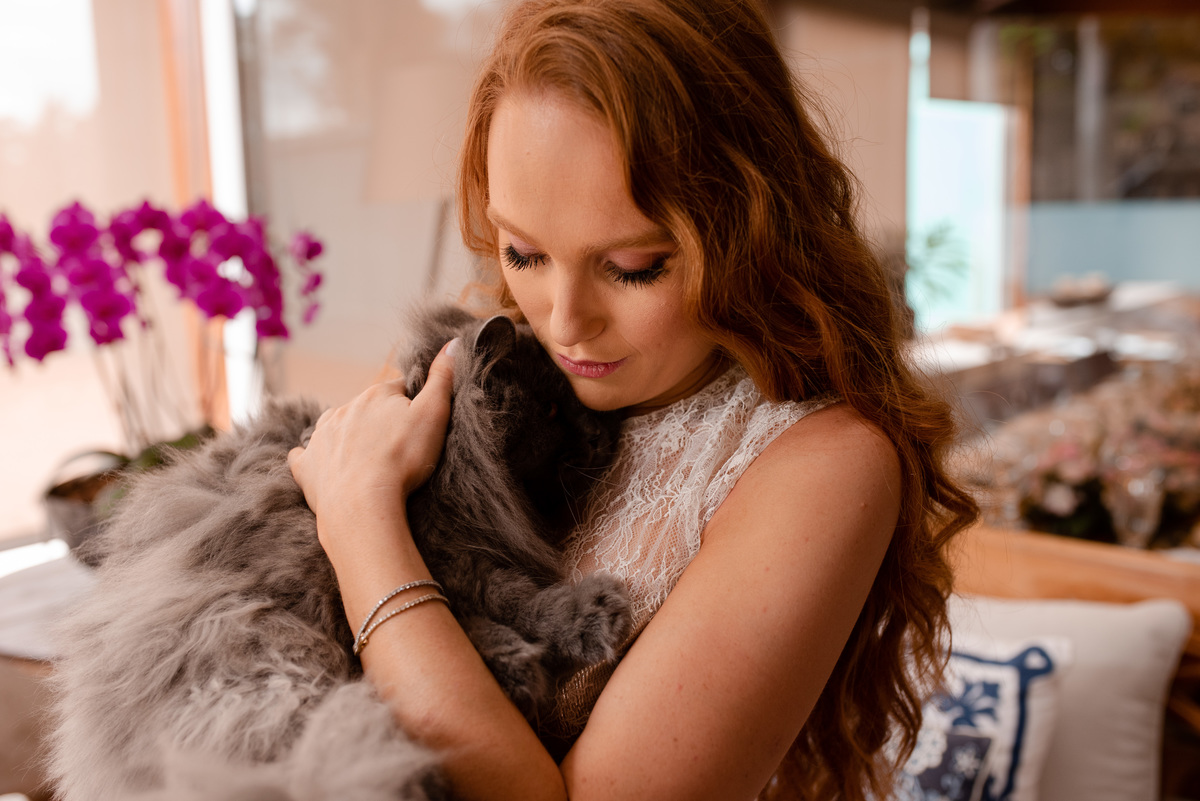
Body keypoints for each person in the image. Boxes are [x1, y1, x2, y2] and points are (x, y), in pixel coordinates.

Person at [287, 1, 979, 799]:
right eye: (524, 252)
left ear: (747, 230)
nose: (564, 322)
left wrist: (360, 522)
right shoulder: (487, 361)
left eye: (633, 266)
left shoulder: (823, 466)